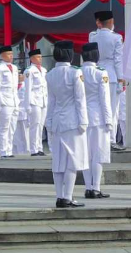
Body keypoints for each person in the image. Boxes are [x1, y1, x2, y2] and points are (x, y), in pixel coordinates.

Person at [46, 41, 89, 208]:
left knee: (58, 161)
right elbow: (80, 99)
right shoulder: (75, 72)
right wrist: (83, 121)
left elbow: (51, 101)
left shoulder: (50, 74)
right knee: (73, 159)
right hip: (73, 121)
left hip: (57, 120)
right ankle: (67, 196)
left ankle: (59, 196)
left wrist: (49, 121)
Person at [81, 42, 112, 199]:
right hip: (98, 117)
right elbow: (104, 99)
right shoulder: (101, 72)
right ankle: (96, 188)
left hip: (81, 117)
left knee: (85, 154)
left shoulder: (77, 72)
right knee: (98, 154)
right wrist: (109, 120)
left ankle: (88, 187)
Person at [89, 11, 124, 150]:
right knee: (112, 110)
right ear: (111, 22)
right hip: (111, 75)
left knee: (98, 107)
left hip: (96, 74)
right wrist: (121, 79)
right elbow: (118, 60)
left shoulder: (93, 36)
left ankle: (99, 139)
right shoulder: (116, 38)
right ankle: (111, 140)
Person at [0, 45, 19, 159]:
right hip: (4, 100)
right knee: (4, 127)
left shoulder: (14, 68)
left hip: (14, 100)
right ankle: (3, 151)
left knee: (12, 127)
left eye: (12, 54)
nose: (11, 56)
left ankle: (9, 150)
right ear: (2, 55)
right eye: (8, 54)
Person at [23, 49, 48, 157]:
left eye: (41, 57)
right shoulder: (29, 71)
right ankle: (33, 149)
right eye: (38, 57)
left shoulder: (44, 70)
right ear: (32, 58)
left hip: (43, 100)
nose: (40, 59)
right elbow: (28, 89)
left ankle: (39, 147)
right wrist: (27, 105)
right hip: (34, 100)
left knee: (41, 125)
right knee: (35, 125)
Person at [13, 72, 30, 155]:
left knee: (25, 134)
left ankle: (27, 150)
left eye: (19, 75)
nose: (18, 76)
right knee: (17, 135)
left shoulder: (26, 86)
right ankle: (19, 151)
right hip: (16, 113)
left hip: (24, 113)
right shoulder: (14, 86)